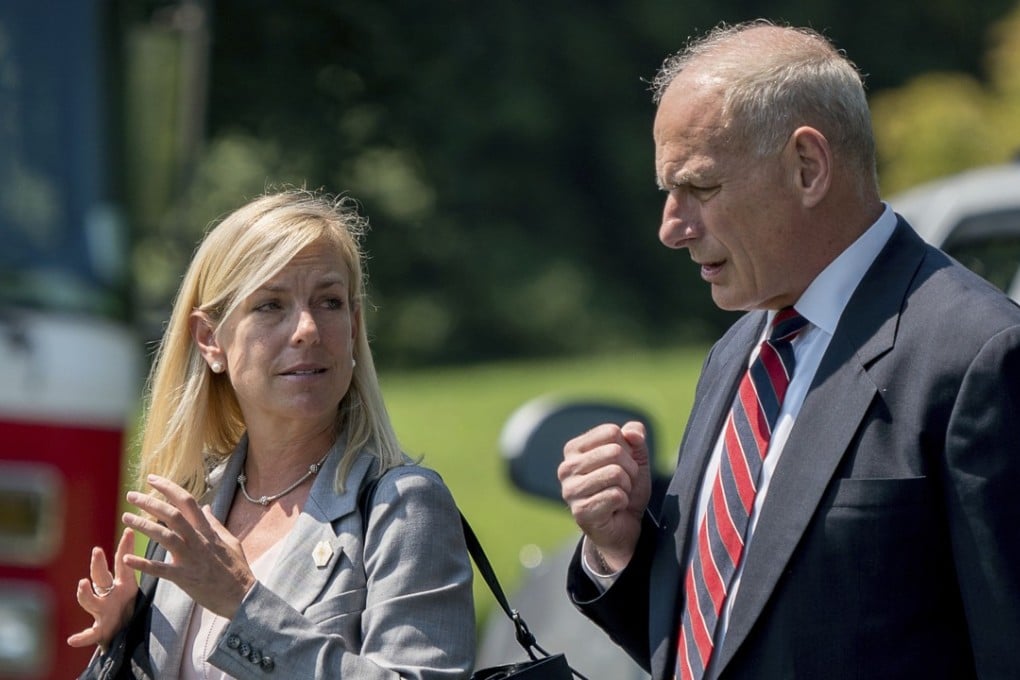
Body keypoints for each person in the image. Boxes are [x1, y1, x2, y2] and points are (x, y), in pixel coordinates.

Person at [558, 19, 1020, 680]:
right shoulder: (737, 353)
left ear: (808, 167)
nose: (671, 228)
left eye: (702, 188)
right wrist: (620, 549)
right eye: (669, 193)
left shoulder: (978, 355)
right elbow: (722, 643)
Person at [69, 189, 476, 678]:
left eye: (329, 301)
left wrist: (244, 604)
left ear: (353, 325)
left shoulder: (404, 505)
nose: (307, 328)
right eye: (270, 305)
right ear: (209, 340)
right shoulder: (192, 508)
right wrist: (125, 643)